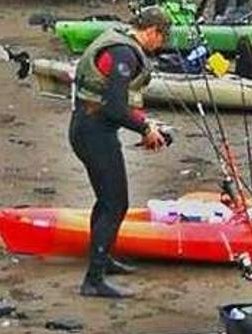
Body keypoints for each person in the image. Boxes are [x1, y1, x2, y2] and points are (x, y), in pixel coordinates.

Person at [70, 7, 172, 298]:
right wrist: (144, 129)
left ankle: (104, 260)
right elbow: (115, 107)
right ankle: (94, 280)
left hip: (91, 129)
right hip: (93, 134)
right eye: (161, 39)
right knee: (115, 204)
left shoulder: (116, 40)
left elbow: (114, 106)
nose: (159, 46)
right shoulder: (124, 54)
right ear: (152, 31)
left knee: (108, 201)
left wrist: (145, 124)